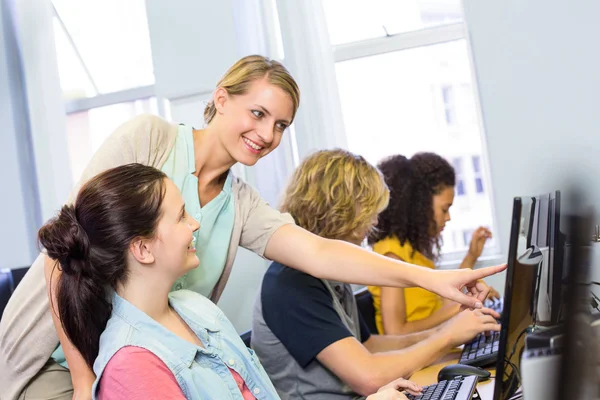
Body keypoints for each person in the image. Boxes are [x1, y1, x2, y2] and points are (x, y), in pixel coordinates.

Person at [0, 56, 504, 400]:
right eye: (257, 113)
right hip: (59, 356)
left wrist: (431, 279)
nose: (266, 134)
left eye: (281, 125)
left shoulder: (240, 203)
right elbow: (67, 250)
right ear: (221, 98)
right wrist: (87, 380)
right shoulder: (149, 140)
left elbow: (322, 253)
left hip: (153, 364)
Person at [38, 163, 424, 400]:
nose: (196, 223)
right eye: (181, 216)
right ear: (142, 249)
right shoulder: (133, 366)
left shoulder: (195, 307)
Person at [251, 150, 500, 400]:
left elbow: (368, 347)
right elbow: (368, 377)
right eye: (368, 213)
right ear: (341, 212)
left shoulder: (331, 272)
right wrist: (446, 337)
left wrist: (448, 334)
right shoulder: (290, 283)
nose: (373, 224)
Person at [367, 153, 500, 336]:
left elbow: (438, 308)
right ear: (420, 205)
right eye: (444, 209)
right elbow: (396, 332)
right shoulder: (393, 254)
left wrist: (471, 257)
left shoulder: (414, 251)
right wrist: (463, 305)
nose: (448, 217)